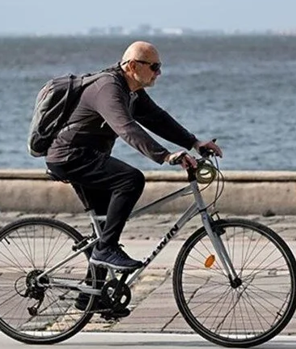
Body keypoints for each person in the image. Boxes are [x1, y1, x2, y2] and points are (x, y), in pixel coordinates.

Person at [45, 41, 222, 272]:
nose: (159, 73)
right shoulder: (108, 88)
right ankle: (106, 250)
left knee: (105, 226)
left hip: (88, 156)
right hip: (70, 156)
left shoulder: (132, 91)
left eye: (160, 67)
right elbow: (126, 128)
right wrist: (166, 156)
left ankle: (94, 294)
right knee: (131, 180)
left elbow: (157, 118)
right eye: (154, 66)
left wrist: (194, 143)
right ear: (132, 66)